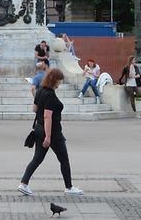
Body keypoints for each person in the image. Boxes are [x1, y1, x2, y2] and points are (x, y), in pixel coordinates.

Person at [18, 68, 83, 197]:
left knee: (37, 158)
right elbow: (48, 116)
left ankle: (23, 184)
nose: (60, 83)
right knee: (64, 159)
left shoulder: (41, 90)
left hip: (39, 128)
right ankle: (69, 188)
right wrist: (48, 136)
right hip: (52, 132)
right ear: (54, 80)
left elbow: (34, 109)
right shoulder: (50, 95)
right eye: (59, 81)